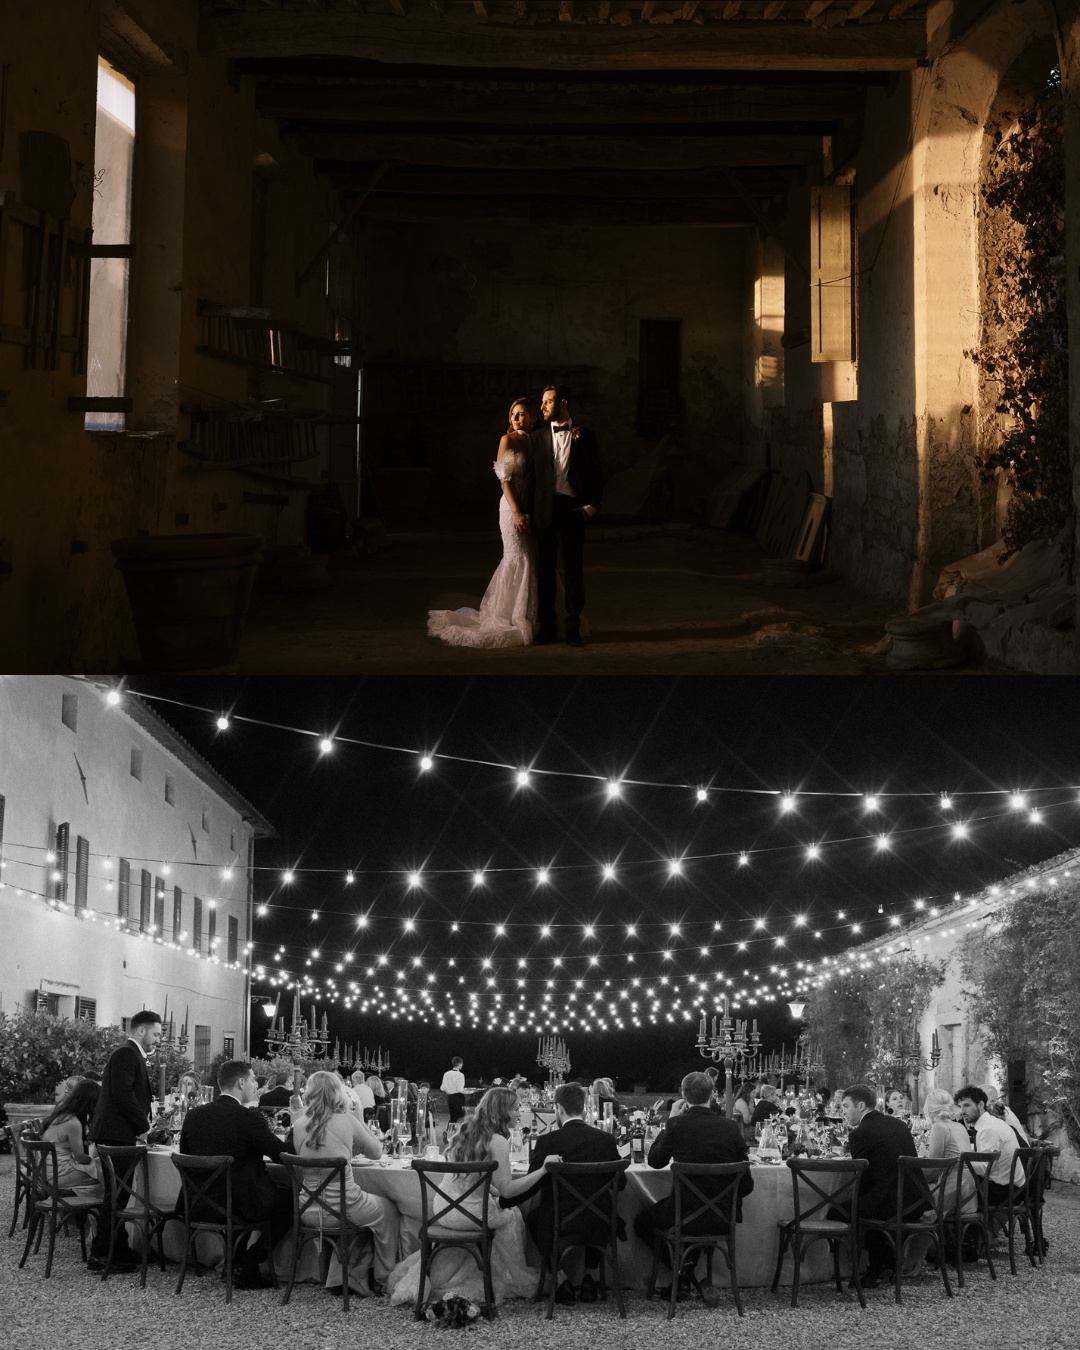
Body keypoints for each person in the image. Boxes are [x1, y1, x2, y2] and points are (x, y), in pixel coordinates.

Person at [387, 1086, 547, 1308]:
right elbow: (508, 1190)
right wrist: (542, 1171)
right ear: (502, 1112)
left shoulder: (466, 1131)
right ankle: (505, 1279)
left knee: (497, 1208)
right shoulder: (497, 1140)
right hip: (468, 1213)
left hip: (443, 1209)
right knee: (513, 1215)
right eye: (516, 1109)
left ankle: (468, 1273)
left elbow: (475, 1179)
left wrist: (492, 1192)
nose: (519, 1113)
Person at [634, 1071, 753, 1306]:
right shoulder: (730, 1127)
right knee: (692, 1212)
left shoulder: (677, 1124)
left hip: (683, 1215)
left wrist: (670, 1121)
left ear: (683, 1094)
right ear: (712, 1094)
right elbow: (747, 1185)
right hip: (722, 1216)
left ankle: (684, 1273)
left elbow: (655, 1161)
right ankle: (691, 1272)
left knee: (642, 1221)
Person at [428, 399, 537, 647]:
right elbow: (505, 479)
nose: (517, 419)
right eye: (513, 415)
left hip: (532, 508)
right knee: (517, 557)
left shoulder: (536, 441)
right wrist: (517, 511)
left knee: (533, 558)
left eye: (522, 415)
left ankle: (534, 615)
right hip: (512, 508)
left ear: (533, 418)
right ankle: (511, 616)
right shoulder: (506, 440)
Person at [506, 1080, 624, 1305]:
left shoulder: (547, 1141)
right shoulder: (605, 1140)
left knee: (532, 1217)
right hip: (601, 1220)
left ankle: (561, 1279)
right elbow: (621, 1183)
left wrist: (504, 1199)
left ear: (558, 1109)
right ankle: (589, 1277)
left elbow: (532, 1185)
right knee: (597, 1210)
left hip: (559, 1221)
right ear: (584, 1107)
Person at [178, 1060, 292, 1290]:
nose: (255, 1086)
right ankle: (248, 1263)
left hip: (198, 1204)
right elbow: (282, 1156)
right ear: (241, 1082)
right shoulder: (249, 1118)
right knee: (291, 1202)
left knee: (248, 1192)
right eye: (252, 1080)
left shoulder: (194, 1116)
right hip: (238, 1205)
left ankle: (234, 1263)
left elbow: (186, 1157)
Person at [290, 1070, 398, 1296]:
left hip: (307, 1209)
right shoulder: (346, 1120)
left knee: (370, 1209)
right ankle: (384, 1276)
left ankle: (345, 1274)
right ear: (338, 1094)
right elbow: (377, 1153)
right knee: (389, 1208)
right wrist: (357, 1118)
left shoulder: (299, 1124)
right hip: (345, 1208)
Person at [524, 383, 604, 647]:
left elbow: (597, 475)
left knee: (573, 570)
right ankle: (547, 627)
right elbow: (530, 479)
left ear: (564, 403)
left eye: (548, 401)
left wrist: (591, 508)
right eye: (543, 402)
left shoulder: (586, 436)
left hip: (572, 511)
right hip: (544, 511)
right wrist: (524, 512)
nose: (543, 406)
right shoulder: (536, 438)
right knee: (544, 572)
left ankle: (573, 626)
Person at [86, 1008, 162, 1273]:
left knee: (118, 1195)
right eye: (155, 1033)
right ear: (141, 1030)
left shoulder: (131, 1055)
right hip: (115, 1134)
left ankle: (118, 1249)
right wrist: (143, 1126)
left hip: (118, 1133)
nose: (158, 1040)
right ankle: (100, 1254)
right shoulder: (126, 1053)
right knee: (115, 1196)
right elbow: (122, 1093)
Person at [834, 1082, 924, 1287]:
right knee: (863, 1207)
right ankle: (881, 1264)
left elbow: (863, 1180)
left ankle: (882, 1262)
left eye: (846, 1106)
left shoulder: (860, 1133)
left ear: (861, 1106)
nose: (844, 1112)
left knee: (839, 1211)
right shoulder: (899, 1125)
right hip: (916, 1202)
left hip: (891, 1205)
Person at [902, 1088, 976, 1274]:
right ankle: (917, 1258)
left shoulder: (939, 1127)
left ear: (929, 1110)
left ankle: (910, 1263)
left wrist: (915, 1181)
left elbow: (933, 1166)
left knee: (921, 1209)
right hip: (969, 1187)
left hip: (953, 1186)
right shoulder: (959, 1126)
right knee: (922, 1200)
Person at [955, 1085, 1024, 1205]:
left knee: (952, 1191)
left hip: (1004, 1192)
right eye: (960, 1107)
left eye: (966, 1105)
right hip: (1011, 1187)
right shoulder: (990, 1123)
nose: (962, 1112)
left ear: (980, 1105)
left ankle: (953, 1222)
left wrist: (958, 1162)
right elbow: (983, 1152)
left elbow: (984, 1168)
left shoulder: (988, 1129)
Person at [40, 1079, 102, 1193]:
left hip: (47, 1170)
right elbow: (80, 1157)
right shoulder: (72, 1123)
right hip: (58, 1174)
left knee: (98, 1172)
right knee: (105, 1177)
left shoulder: (62, 1114)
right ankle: (74, 1206)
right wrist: (93, 1160)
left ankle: (73, 1207)